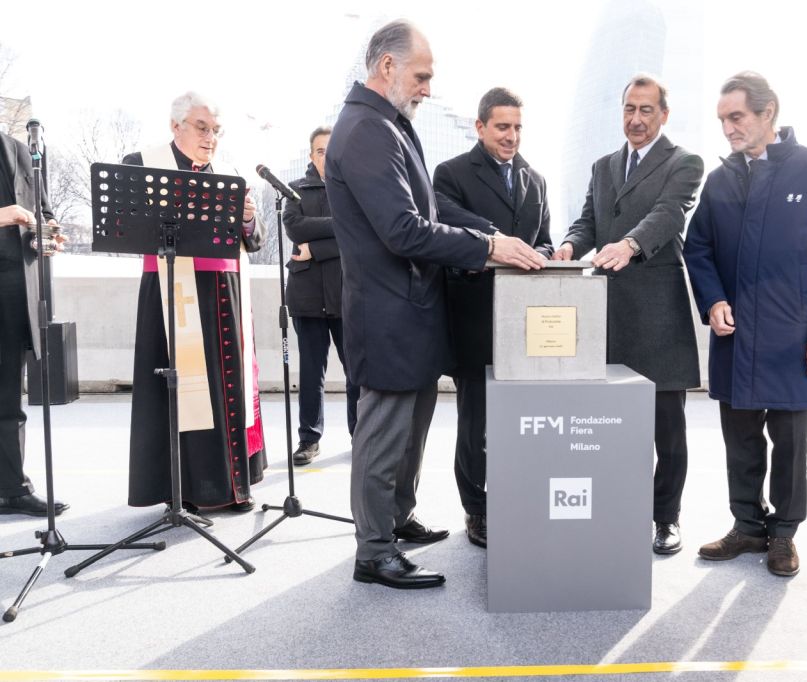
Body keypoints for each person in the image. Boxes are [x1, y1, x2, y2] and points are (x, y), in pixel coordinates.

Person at [325, 20, 545, 589]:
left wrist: (489, 239)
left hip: (413, 310)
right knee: (383, 435)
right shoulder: (367, 130)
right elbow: (403, 229)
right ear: (387, 66)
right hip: (388, 313)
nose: (427, 87)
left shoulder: (387, 125)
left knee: (412, 429)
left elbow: (427, 212)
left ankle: (397, 519)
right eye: (421, 76)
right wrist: (488, 246)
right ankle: (374, 551)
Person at [683, 71, 807, 576]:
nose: (728, 129)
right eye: (722, 120)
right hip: (734, 336)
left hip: (793, 336)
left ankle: (783, 534)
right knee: (739, 438)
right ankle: (746, 525)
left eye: (736, 117)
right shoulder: (721, 180)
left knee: (790, 441)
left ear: (768, 111)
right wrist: (713, 300)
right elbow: (698, 248)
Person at [553, 74, 704, 556]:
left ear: (664, 115)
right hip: (610, 314)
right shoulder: (603, 166)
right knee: (612, 425)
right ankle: (619, 511)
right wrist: (570, 245)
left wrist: (630, 244)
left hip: (658, 315)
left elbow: (669, 213)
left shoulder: (684, 162)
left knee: (667, 429)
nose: (636, 119)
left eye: (646, 110)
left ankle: (666, 517)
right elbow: (589, 219)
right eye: (629, 109)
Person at [124, 92, 267, 514]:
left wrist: (247, 217)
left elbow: (255, 240)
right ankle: (185, 490)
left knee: (227, 390)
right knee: (177, 391)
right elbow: (124, 228)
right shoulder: (143, 164)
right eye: (202, 128)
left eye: (216, 130)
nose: (211, 138)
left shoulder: (229, 173)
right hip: (171, 292)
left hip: (223, 291)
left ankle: (232, 487)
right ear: (176, 126)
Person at [433, 87, 554, 548]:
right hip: (474, 319)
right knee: (476, 425)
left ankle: (516, 500)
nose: (512, 136)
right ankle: (477, 509)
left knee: (521, 423)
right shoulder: (451, 174)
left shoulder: (535, 180)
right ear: (480, 127)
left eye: (518, 127)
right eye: (503, 127)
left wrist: (544, 254)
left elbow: (544, 239)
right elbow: (444, 220)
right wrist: (500, 242)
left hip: (525, 323)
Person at [0, 131, 69, 517]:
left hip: (14, 291)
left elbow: (43, 213)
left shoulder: (22, 150)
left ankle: (11, 489)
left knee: (9, 397)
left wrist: (49, 234)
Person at [285, 126, 359, 466]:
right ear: (311, 155)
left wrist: (315, 249)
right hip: (307, 295)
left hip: (348, 294)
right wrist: (339, 226)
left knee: (356, 372)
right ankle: (309, 440)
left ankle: (361, 436)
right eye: (320, 151)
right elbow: (295, 228)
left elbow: (361, 234)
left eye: (332, 149)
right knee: (311, 374)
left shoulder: (356, 188)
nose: (326, 156)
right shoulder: (294, 190)